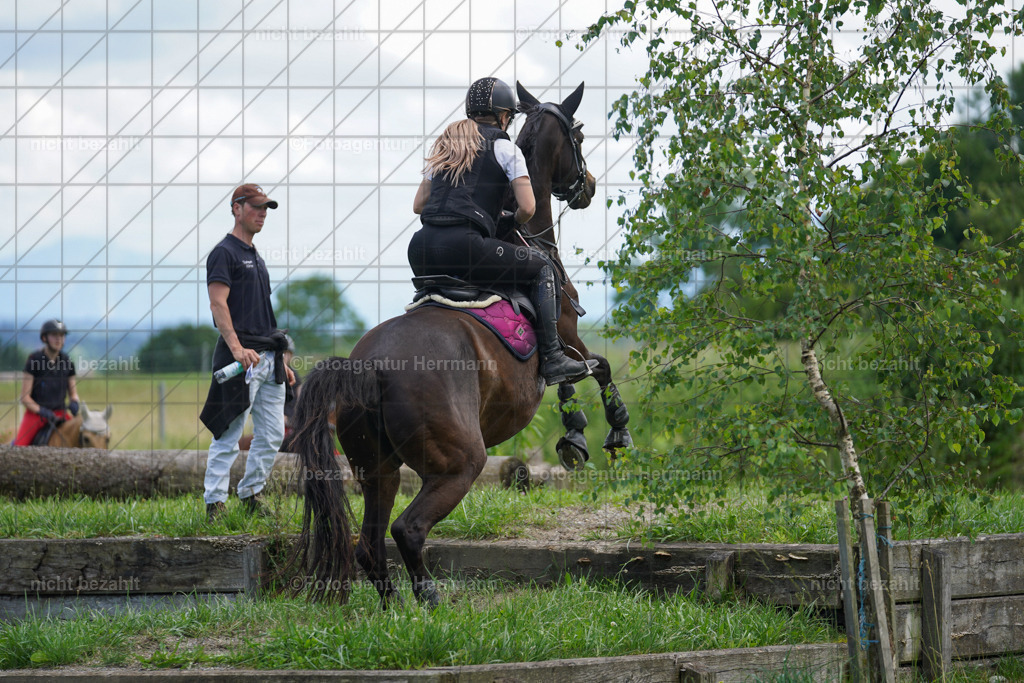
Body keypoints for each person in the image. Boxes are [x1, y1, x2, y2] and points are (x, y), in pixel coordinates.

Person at [408, 77, 592, 386]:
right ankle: (553, 358)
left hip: (421, 250)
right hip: (466, 247)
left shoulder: (446, 143)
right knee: (544, 268)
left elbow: (418, 205)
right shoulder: (505, 147)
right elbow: (529, 208)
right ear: (504, 116)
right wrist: (507, 220)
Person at [200, 183, 295, 521]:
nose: (262, 213)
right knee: (229, 432)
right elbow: (217, 303)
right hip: (239, 359)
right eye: (255, 207)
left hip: (268, 359)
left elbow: (262, 313)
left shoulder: (256, 256)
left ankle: (250, 494)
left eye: (266, 208)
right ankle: (214, 503)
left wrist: (281, 358)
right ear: (236, 208)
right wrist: (237, 347)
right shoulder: (224, 252)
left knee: (272, 434)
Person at [13, 319, 80, 446]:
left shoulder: (68, 362)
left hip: (60, 414)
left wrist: (75, 402)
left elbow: (73, 393)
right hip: (36, 415)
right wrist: (41, 411)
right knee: (19, 447)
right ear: (44, 338)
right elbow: (25, 397)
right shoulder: (33, 360)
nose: (58, 339)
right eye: (54, 335)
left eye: (61, 335)